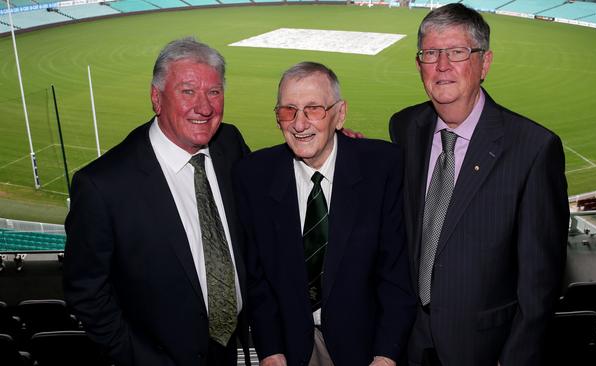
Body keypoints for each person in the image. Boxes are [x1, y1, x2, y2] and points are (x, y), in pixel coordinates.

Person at [389, 4, 568, 366]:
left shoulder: (533, 149)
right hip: (408, 340)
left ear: (484, 63)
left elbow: (540, 284)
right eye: (430, 53)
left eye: (457, 52)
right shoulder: (405, 127)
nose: (441, 66)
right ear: (418, 63)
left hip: (482, 349)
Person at [63, 37, 251, 366]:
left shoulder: (230, 144)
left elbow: (270, 188)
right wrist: (138, 358)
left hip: (228, 350)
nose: (204, 107)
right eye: (188, 91)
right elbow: (86, 291)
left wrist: (329, 149)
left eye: (214, 92)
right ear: (156, 97)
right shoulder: (102, 186)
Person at [233, 62, 415, 366]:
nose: (299, 124)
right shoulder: (253, 175)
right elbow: (257, 278)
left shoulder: (383, 167)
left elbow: (396, 273)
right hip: (290, 350)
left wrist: (386, 355)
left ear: (340, 114)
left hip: (368, 349)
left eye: (314, 109)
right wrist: (270, 351)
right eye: (287, 110)